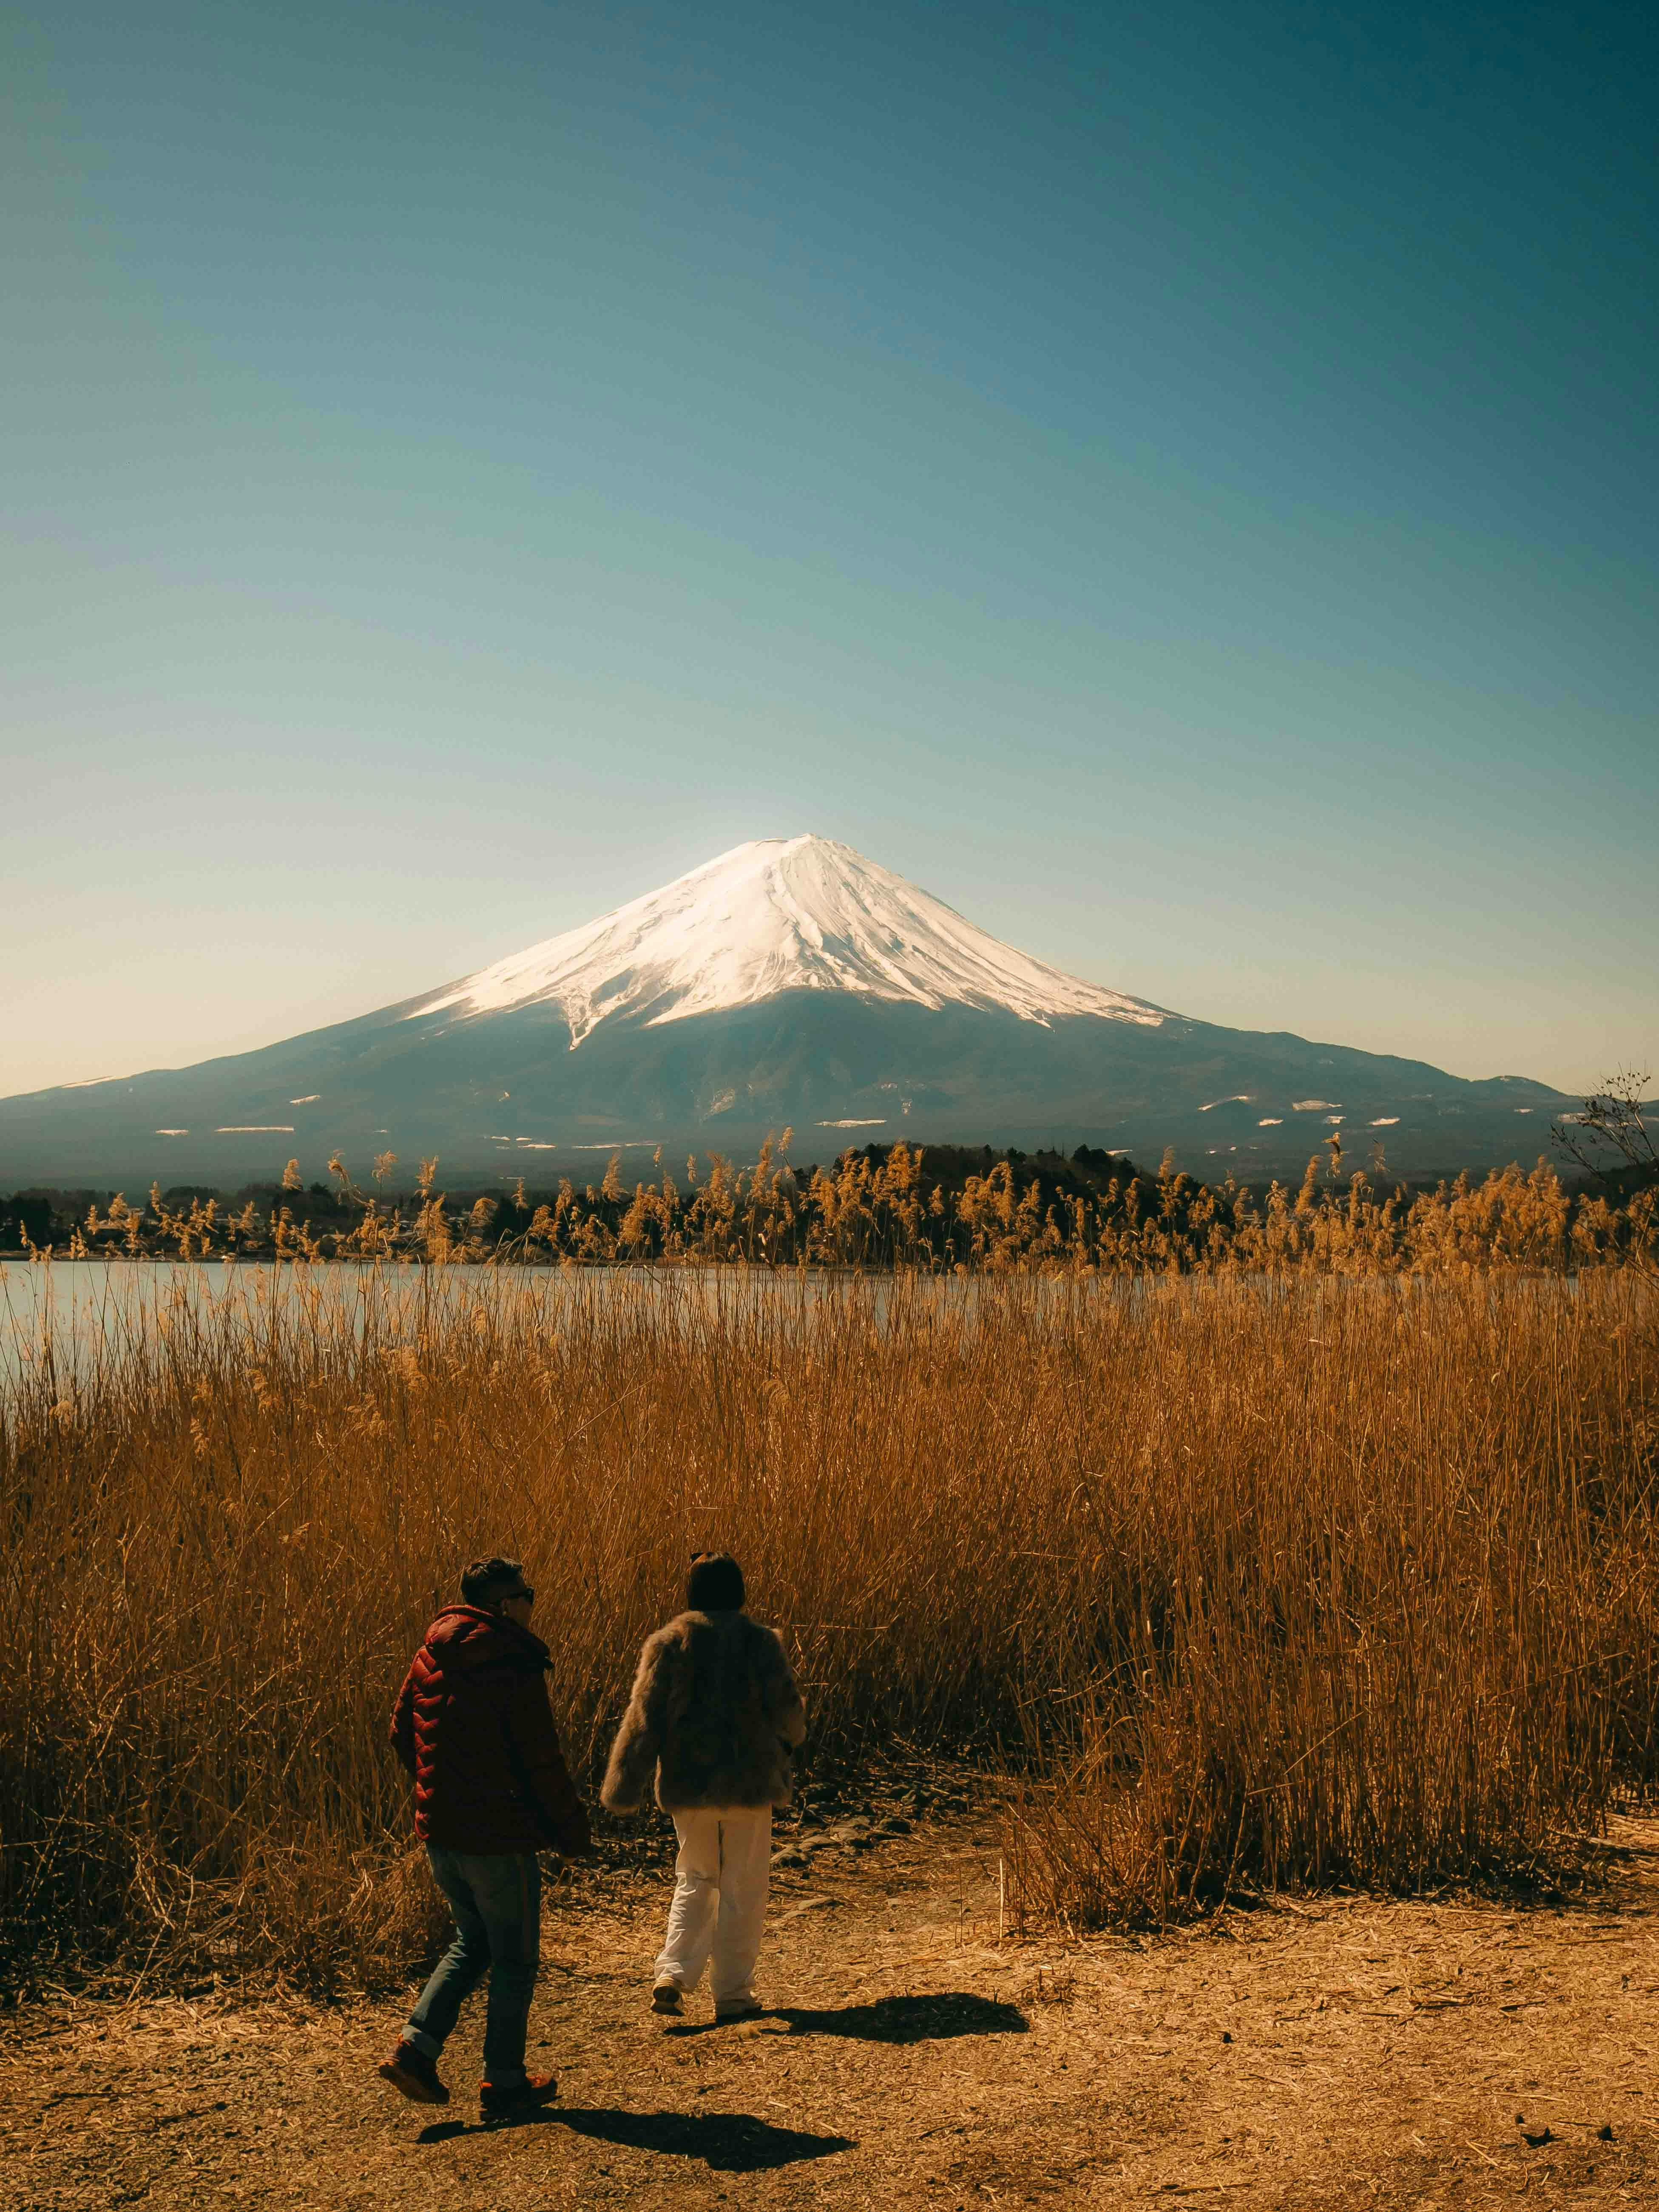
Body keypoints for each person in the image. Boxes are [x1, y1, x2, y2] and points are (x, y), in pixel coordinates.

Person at [378, 1556, 592, 2118]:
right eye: (528, 1592)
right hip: (498, 1837)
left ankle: (415, 2050)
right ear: (502, 1603)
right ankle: (504, 2081)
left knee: (474, 1942)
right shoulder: (511, 1660)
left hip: (442, 1834)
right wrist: (571, 1829)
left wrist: (438, 1788)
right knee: (515, 1958)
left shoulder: (432, 1650)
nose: (531, 1601)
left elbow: (399, 1728)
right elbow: (541, 1759)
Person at [602, 1551, 806, 2022]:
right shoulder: (761, 1644)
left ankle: (672, 1974)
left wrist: (624, 1783)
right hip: (750, 1783)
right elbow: (788, 1709)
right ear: (739, 1592)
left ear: (691, 1593)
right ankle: (733, 1995)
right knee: (744, 1885)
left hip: (688, 1783)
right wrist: (790, 1740)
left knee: (694, 1877)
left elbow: (643, 1718)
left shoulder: (669, 1643)